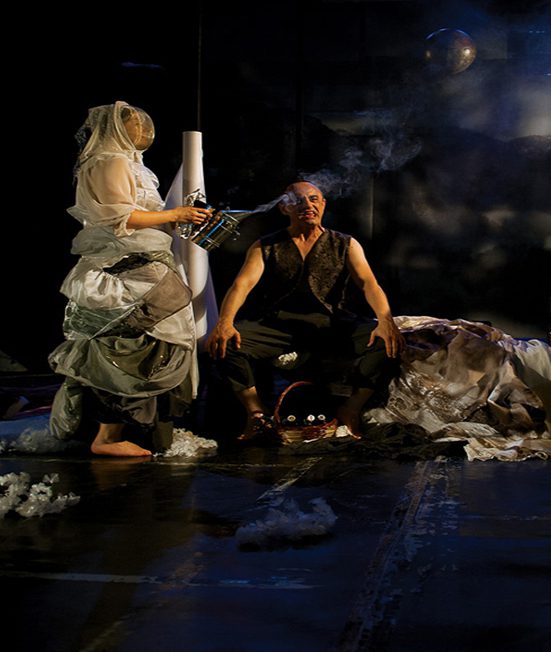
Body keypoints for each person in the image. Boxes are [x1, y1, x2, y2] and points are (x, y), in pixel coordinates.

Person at [48, 101, 213, 457]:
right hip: (123, 260)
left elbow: (142, 214)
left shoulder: (128, 163)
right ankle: (107, 436)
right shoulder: (110, 160)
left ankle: (135, 429)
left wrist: (181, 218)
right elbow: (120, 218)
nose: (143, 130)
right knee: (130, 340)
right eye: (135, 124)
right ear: (118, 128)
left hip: (143, 256)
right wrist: (176, 214)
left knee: (148, 336)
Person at [205, 181, 404, 438]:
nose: (307, 206)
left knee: (386, 341)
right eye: (298, 201)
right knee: (226, 343)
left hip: (332, 325)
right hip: (279, 326)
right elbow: (241, 286)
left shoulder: (345, 244)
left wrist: (385, 321)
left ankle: (350, 409)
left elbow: (369, 284)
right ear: (284, 208)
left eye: (313, 199)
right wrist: (225, 322)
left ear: (323, 205)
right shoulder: (265, 245)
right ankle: (256, 414)